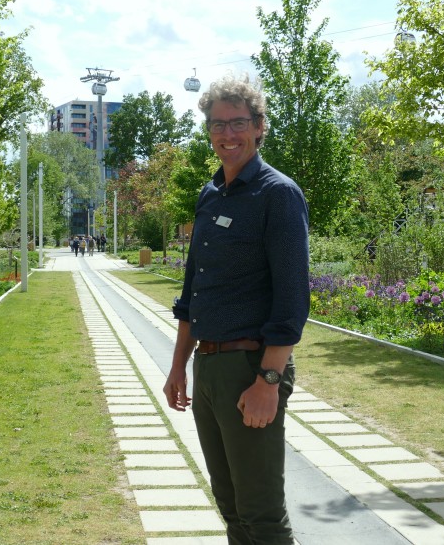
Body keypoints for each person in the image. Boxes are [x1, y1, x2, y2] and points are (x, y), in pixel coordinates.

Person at [162, 74, 309, 544]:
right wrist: (178, 366)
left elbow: (292, 299)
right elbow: (194, 292)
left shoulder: (277, 194)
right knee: (230, 506)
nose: (227, 134)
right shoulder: (211, 195)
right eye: (217, 124)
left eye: (238, 123)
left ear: (260, 126)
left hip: (250, 368)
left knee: (261, 513)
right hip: (207, 366)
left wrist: (268, 380)